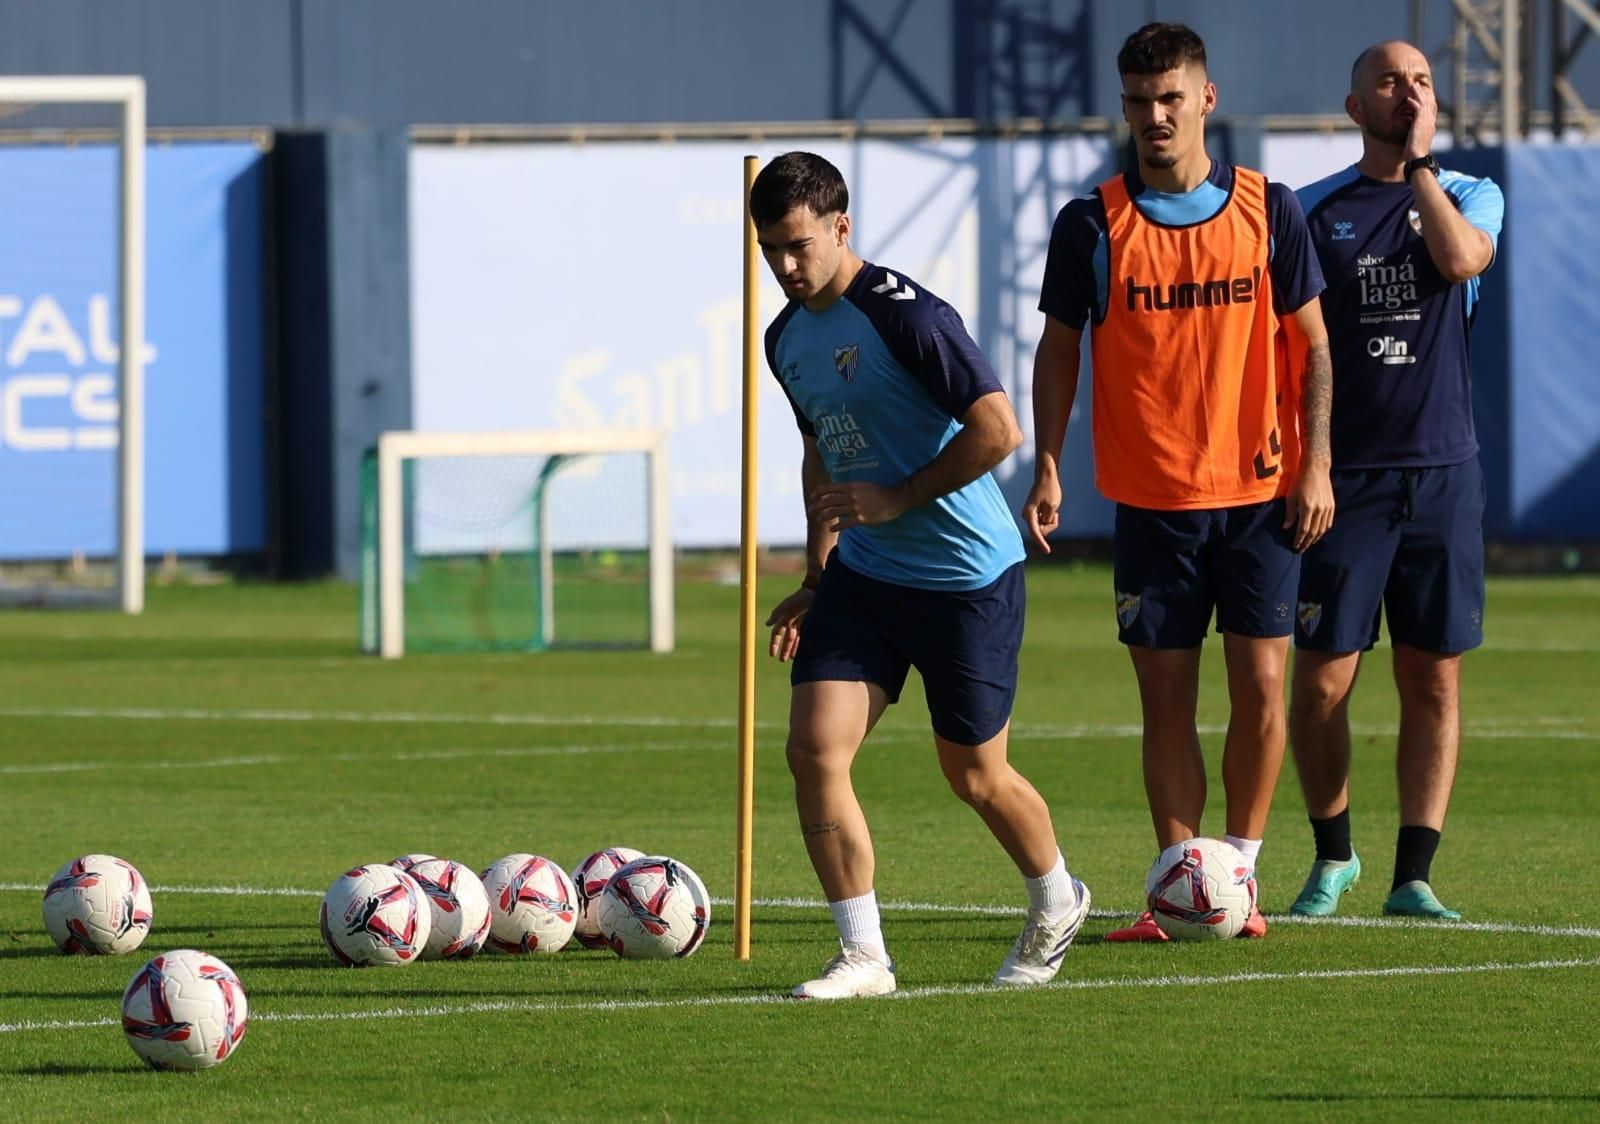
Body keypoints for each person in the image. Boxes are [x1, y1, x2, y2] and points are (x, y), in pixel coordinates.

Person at [752, 151, 1090, 998]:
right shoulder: (784, 339)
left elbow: (999, 429)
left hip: (969, 577)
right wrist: (819, 574)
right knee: (814, 751)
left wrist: (902, 495)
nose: (786, 268)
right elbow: (820, 458)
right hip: (866, 578)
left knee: (975, 775)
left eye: (799, 246)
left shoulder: (908, 317)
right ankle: (863, 956)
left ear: (841, 227)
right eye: (770, 251)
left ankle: (1058, 899)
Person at [1023, 22, 1335, 941]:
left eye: (1170, 98)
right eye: (1137, 101)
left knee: (1264, 689)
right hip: (1151, 502)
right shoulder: (1091, 222)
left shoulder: (1269, 210)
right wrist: (1046, 460)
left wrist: (1316, 461)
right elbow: (1058, 350)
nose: (1154, 116)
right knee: (1165, 701)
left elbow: (1313, 346)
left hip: (1262, 496)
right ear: (1123, 107)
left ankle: (1236, 875)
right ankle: (1173, 884)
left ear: (1207, 99)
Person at [1287, 41, 1503, 921]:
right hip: (1346, 483)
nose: (1408, 92)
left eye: (1421, 82)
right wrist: (1311, 460)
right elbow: (1294, 348)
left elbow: (1459, 262)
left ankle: (1414, 875)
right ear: (1353, 107)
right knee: (1323, 683)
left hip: (1444, 473)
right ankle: (1333, 855)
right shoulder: (1309, 211)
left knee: (1433, 680)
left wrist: (1420, 171)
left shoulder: (1468, 194)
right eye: (1390, 81)